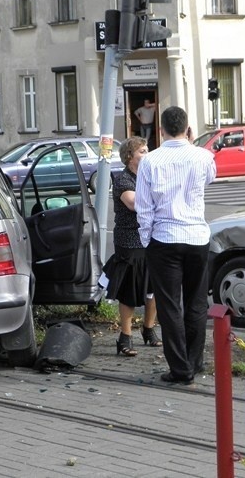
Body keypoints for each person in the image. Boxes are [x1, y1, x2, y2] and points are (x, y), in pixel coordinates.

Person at [135, 106, 216, 385]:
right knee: (196, 303)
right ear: (188, 129)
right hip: (197, 237)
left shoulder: (150, 161)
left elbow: (144, 208)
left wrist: (147, 241)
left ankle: (180, 369)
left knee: (169, 306)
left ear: (161, 130)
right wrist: (192, 145)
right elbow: (209, 179)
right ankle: (194, 362)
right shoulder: (204, 157)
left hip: (165, 238)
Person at [103, 136, 162, 356]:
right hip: (129, 242)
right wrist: (158, 199)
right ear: (130, 157)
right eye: (142, 151)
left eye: (147, 150)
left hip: (151, 239)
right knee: (129, 291)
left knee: (151, 288)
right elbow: (134, 203)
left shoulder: (149, 177)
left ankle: (149, 329)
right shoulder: (123, 179)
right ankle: (125, 338)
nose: (147, 154)